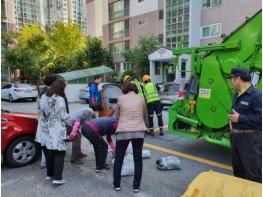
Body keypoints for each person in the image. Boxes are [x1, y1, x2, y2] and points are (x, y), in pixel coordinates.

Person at [227, 67, 262, 183]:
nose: (231, 82)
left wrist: (239, 118)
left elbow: (260, 118)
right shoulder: (236, 95)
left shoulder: (256, 96)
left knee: (252, 174)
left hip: (250, 141)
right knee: (238, 173)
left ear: (238, 79)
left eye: (232, 79)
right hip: (236, 138)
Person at [113, 82, 147, 193]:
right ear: (135, 89)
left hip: (123, 132)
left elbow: (116, 115)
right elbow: (144, 115)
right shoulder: (141, 99)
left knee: (119, 158)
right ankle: (136, 187)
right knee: (138, 159)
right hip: (138, 132)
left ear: (125, 89)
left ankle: (117, 185)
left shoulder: (120, 98)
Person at [35, 79, 69, 185]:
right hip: (56, 129)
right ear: (61, 88)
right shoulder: (59, 99)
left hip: (44, 128)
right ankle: (57, 178)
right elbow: (63, 116)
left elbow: (39, 111)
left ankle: (49, 175)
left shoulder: (43, 96)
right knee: (59, 152)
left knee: (47, 152)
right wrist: (68, 115)